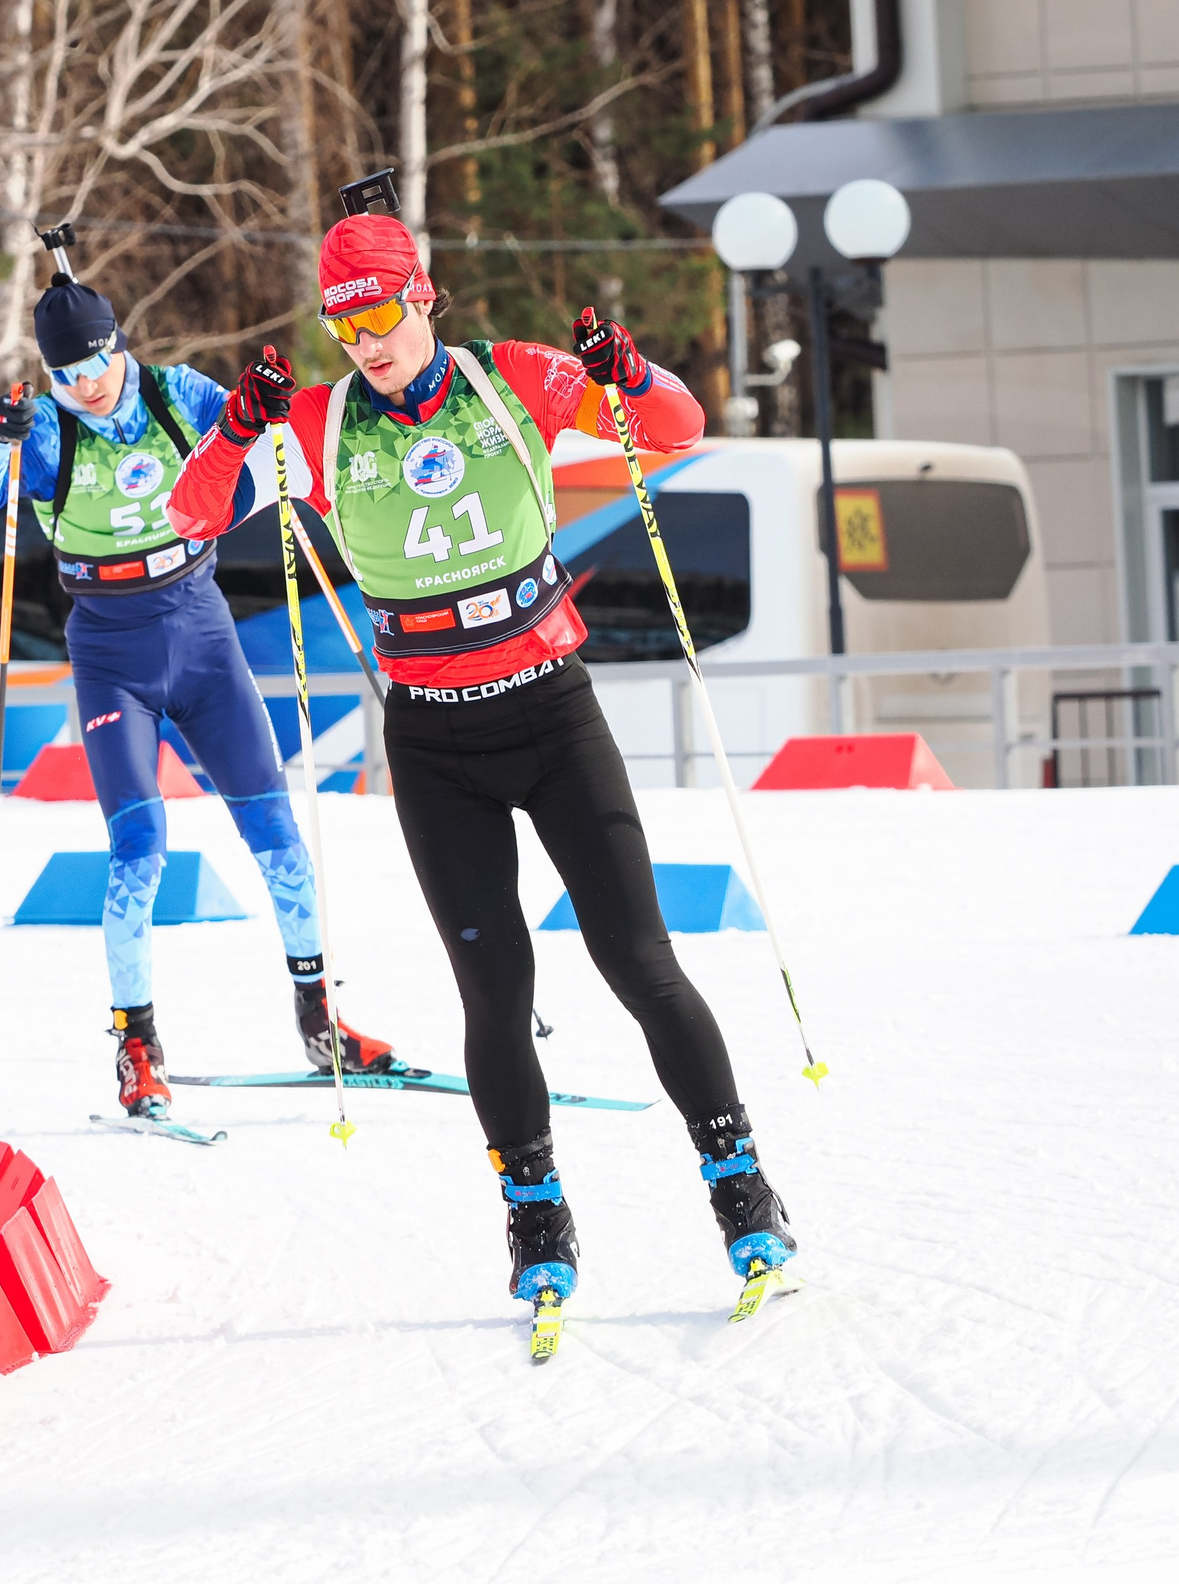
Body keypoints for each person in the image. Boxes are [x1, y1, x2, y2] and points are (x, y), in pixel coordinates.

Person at [165, 211, 792, 1307]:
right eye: (343, 324)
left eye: (378, 314)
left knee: (639, 964)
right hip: (435, 741)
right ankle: (535, 1213)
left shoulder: (513, 381)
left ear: (420, 295)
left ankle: (740, 1185)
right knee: (494, 991)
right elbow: (191, 514)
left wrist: (628, 372)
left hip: (553, 716)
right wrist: (235, 429)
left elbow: (677, 427)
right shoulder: (316, 423)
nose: (365, 341)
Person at [0, 272, 405, 1119]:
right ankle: (137, 1045)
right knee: (139, 849)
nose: (86, 384)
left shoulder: (175, 394)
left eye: (95, 363)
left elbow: (263, 443)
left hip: (201, 633)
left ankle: (320, 1019)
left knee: (278, 835)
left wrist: (265, 406)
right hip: (109, 651)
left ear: (118, 344)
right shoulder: (47, 426)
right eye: (65, 374)